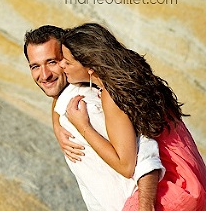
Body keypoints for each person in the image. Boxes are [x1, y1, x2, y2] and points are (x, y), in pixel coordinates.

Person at [60, 23, 206, 210]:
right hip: (191, 173)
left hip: (173, 188)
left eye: (67, 61)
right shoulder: (136, 76)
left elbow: (125, 164)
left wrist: (83, 126)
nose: (62, 65)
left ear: (90, 67)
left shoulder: (111, 96)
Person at [24, 25, 164, 210]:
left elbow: (144, 151)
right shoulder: (68, 106)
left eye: (52, 62)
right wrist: (56, 118)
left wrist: (145, 206)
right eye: (35, 66)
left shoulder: (85, 104)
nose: (44, 75)